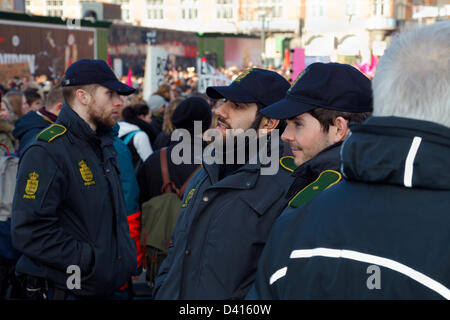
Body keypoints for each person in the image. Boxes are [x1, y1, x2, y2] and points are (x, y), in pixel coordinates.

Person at [247, 21, 450, 299]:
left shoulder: (303, 217)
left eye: (297, 123)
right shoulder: (302, 207)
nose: (286, 135)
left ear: (339, 127)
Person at [153, 68, 294, 300]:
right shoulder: (207, 170)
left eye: (237, 106)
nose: (220, 111)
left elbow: (280, 280)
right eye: (224, 101)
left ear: (269, 122)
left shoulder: (287, 184)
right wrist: (164, 288)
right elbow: (178, 246)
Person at [11, 59, 138, 299]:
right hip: (68, 289)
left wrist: (122, 258)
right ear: (83, 96)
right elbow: (28, 230)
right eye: (109, 93)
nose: (119, 102)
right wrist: (89, 261)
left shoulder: (103, 144)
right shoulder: (48, 150)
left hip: (105, 286)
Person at [13, 83, 64, 156]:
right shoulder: (37, 135)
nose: (26, 106)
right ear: (60, 107)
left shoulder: (43, 123)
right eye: (37, 103)